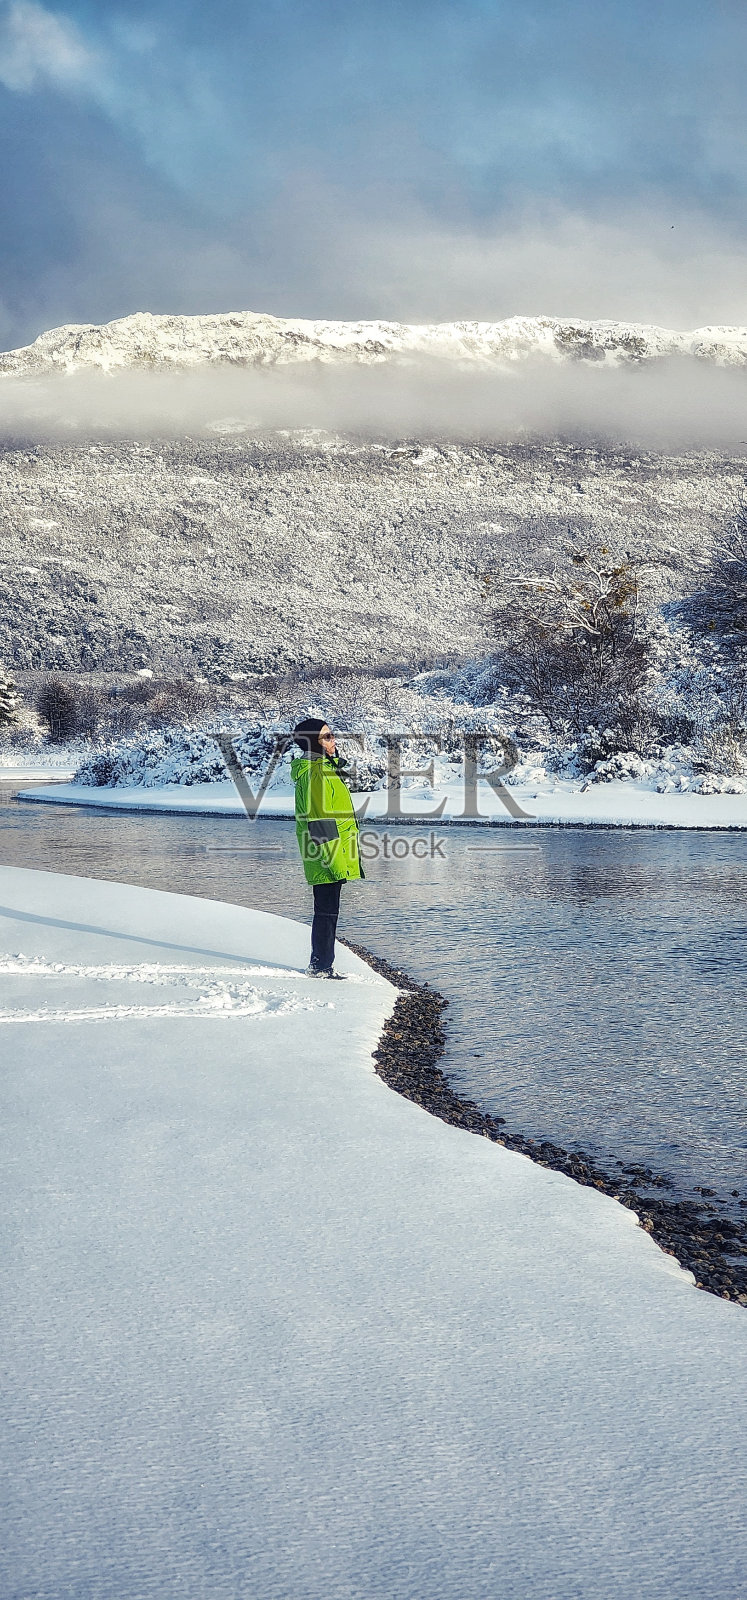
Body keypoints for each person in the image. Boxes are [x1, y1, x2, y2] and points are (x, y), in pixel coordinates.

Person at [291, 717, 363, 977]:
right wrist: (334, 863)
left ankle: (321, 964)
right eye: (327, 736)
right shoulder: (316, 772)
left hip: (330, 852)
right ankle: (321, 966)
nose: (334, 740)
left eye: (332, 735)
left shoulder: (324, 768)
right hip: (327, 854)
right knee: (326, 911)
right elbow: (320, 818)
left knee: (328, 909)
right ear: (314, 742)